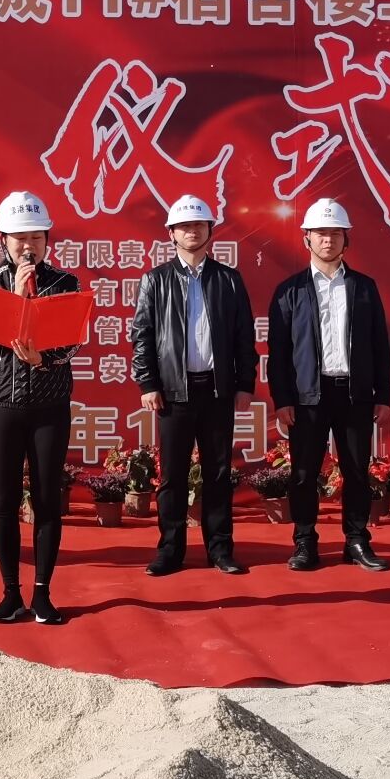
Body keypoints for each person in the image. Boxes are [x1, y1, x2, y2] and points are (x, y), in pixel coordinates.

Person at [265, 197, 390, 573]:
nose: (328, 240)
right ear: (306, 238)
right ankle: (305, 542)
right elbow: (278, 352)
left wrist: (383, 395)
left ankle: (356, 541)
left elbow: (379, 345)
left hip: (355, 394)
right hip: (307, 396)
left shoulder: (364, 288)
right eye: (320, 233)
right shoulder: (290, 291)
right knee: (304, 473)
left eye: (335, 233)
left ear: (346, 239)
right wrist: (282, 399)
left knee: (356, 471)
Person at [130, 195, 259, 576]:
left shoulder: (228, 280)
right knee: (173, 476)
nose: (192, 231)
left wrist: (245, 383)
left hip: (217, 391)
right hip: (174, 393)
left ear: (209, 231)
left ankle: (220, 549)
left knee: (218, 473)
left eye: (198, 225)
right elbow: (142, 336)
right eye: (184, 226)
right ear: (171, 233)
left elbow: (244, 337)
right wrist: (148, 383)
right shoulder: (155, 280)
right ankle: (170, 550)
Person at [0, 190, 80, 625]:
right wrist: (18, 298)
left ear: (47, 240)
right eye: (19, 238)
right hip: (2, 404)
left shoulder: (65, 283)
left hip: (49, 405)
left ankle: (42, 593)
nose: (28, 246)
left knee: (46, 499)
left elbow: (71, 341)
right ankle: (9, 593)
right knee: (3, 499)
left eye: (36, 237)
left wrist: (45, 359)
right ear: (3, 239)